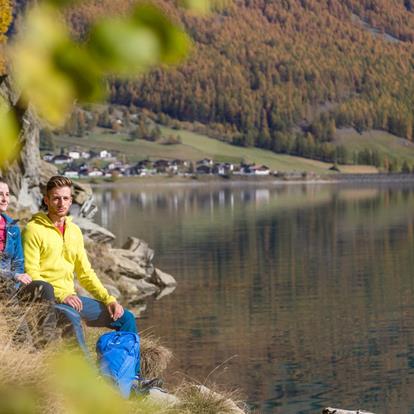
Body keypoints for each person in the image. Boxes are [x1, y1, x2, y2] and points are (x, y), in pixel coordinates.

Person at [23, 175, 137, 354]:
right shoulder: (33, 230)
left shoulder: (74, 231)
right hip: (50, 301)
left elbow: (85, 272)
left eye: (66, 198)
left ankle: (130, 375)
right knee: (72, 317)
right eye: (56, 198)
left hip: (72, 299)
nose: (61, 203)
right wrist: (62, 295)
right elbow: (32, 274)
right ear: (46, 200)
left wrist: (109, 299)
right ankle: (89, 377)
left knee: (126, 318)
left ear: (71, 200)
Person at [0, 177, 57, 345]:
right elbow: (13, 273)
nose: (4, 199)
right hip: (5, 282)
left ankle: (46, 343)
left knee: (44, 287)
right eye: (0, 194)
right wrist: (13, 276)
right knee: (8, 286)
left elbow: (18, 261)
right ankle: (23, 343)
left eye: (7, 194)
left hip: (11, 283)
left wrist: (18, 280)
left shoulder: (12, 227)